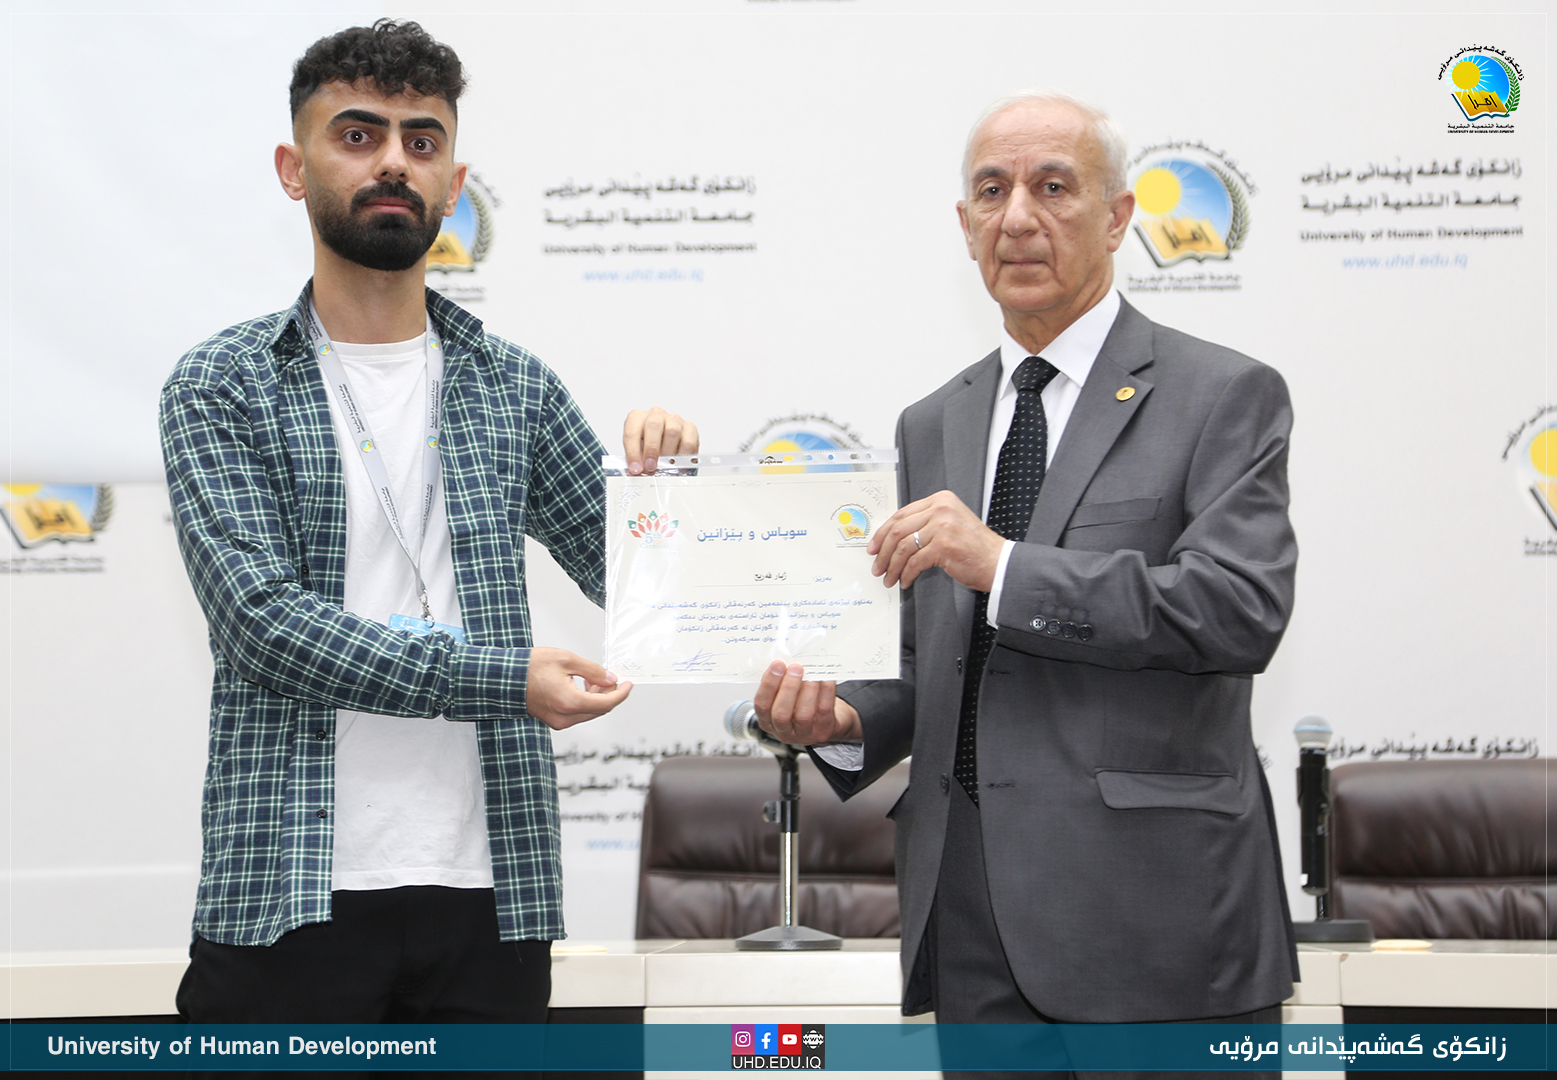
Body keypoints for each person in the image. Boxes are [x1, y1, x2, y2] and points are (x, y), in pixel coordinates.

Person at [159, 20, 694, 1026]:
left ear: (453, 182)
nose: (394, 162)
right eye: (358, 135)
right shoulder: (222, 384)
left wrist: (666, 495)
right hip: (289, 889)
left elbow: (643, 584)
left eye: (421, 139)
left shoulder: (515, 386)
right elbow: (261, 625)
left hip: (489, 896)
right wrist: (499, 678)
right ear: (293, 168)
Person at [753, 89, 1297, 1077]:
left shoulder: (1222, 394)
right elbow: (931, 660)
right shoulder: (933, 422)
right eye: (991, 191)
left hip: (1159, 925)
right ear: (964, 226)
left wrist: (1002, 565)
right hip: (971, 922)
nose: (1017, 218)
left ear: (1118, 216)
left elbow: (1237, 610)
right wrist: (842, 719)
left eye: (1053, 188)